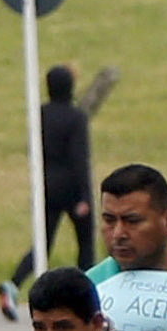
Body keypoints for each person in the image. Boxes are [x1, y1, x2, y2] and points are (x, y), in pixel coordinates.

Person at [37, 63, 99, 273]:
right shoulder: (77, 117)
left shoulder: (40, 115)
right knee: (86, 245)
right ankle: (87, 283)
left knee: (42, 244)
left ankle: (13, 283)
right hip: (72, 188)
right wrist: (85, 196)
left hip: (47, 185)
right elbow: (80, 158)